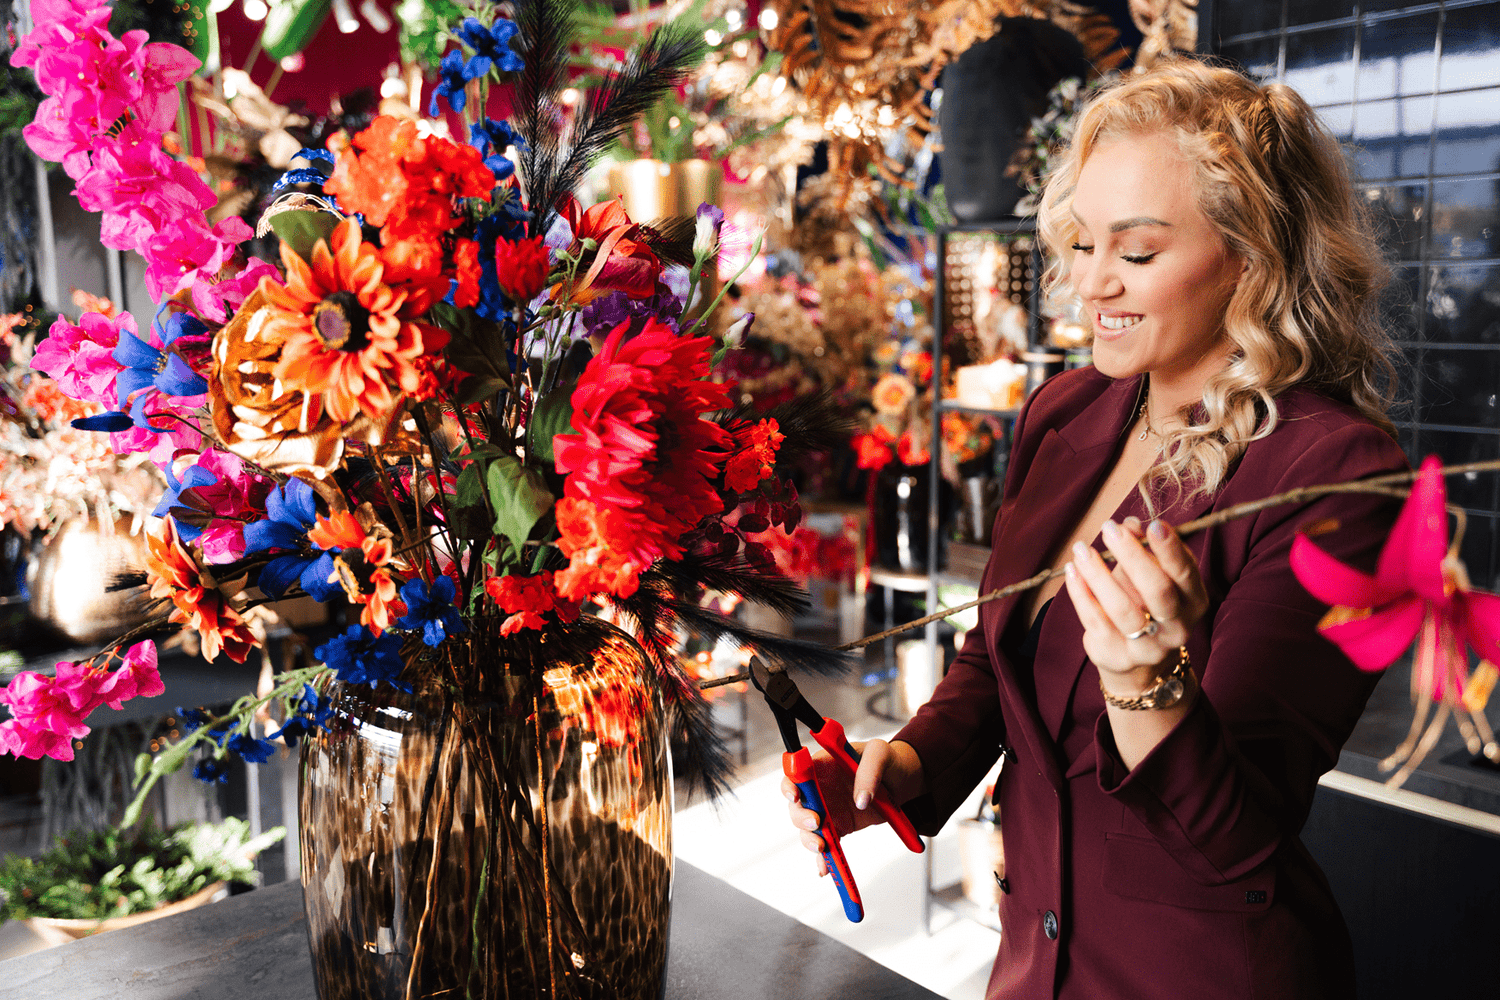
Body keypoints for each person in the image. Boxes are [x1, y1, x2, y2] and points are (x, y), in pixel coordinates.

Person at [786, 59, 1409, 999]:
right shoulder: (1068, 412)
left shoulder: (1335, 471)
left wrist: (1149, 688)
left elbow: (1243, 830)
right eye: (1080, 242)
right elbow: (993, 665)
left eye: (1139, 251)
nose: (1090, 282)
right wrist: (899, 771)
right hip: (1032, 969)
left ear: (1255, 255)